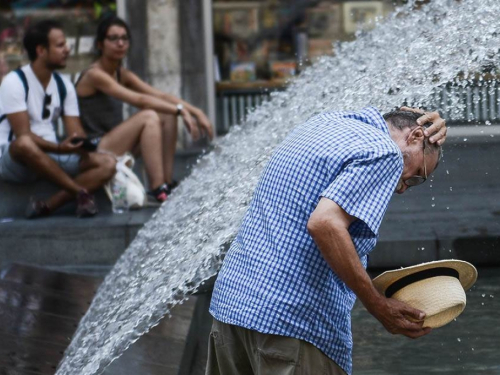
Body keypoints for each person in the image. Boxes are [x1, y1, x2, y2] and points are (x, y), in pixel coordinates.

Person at [206, 107, 447, 375]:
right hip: (292, 324)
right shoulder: (386, 153)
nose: (403, 187)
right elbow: (325, 223)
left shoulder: (325, 123)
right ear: (414, 136)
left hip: (232, 309)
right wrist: (378, 306)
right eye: (416, 177)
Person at [75, 16, 214, 200]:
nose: (120, 43)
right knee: (149, 116)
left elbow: (161, 96)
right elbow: (140, 100)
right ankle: (157, 188)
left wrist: (196, 112)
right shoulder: (95, 75)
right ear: (100, 44)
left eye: (125, 38)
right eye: (113, 38)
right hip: (95, 150)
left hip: (115, 144)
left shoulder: (121, 73)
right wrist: (181, 111)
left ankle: (166, 182)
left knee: (165, 113)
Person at [0, 20, 116, 219]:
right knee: (25, 143)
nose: (67, 50)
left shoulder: (64, 85)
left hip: (50, 156)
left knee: (108, 163)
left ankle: (48, 205)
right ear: (41, 50)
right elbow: (23, 135)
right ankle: (80, 192)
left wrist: (81, 143)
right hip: (14, 160)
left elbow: (75, 131)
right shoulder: (14, 81)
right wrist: (61, 149)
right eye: (60, 45)